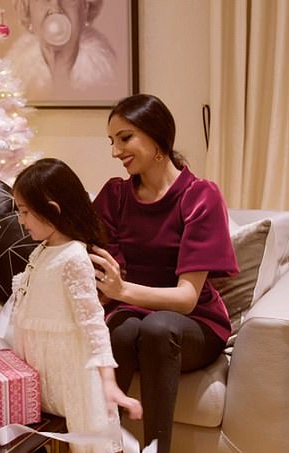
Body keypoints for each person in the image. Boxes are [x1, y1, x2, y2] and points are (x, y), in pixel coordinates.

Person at [89, 94, 239, 453]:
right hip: (132, 315)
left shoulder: (200, 196)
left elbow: (186, 299)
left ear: (157, 137)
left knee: (158, 328)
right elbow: (102, 275)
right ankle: (102, 446)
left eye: (125, 138)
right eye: (112, 141)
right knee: (122, 330)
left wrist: (121, 290)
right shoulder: (115, 196)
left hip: (195, 324)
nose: (115, 151)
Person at [10, 158, 142, 453]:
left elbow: (93, 323)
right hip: (38, 371)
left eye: (25, 211)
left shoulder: (74, 258)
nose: (20, 220)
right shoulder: (42, 250)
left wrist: (108, 382)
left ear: (52, 209)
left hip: (67, 375)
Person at [7, 0, 116, 99]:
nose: (56, 8)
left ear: (85, 8)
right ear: (27, 10)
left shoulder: (110, 75)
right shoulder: (11, 78)